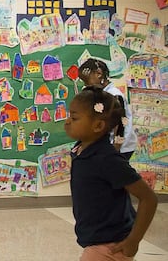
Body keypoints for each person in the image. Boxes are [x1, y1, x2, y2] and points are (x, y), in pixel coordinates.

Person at [65, 86, 157, 260]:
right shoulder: (80, 150)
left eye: (74, 118)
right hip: (95, 240)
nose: (68, 121)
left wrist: (133, 241)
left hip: (110, 245)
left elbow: (149, 198)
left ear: (98, 125)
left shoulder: (107, 159)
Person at [78, 58, 137, 160]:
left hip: (120, 147)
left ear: (99, 74)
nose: (86, 85)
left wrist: (114, 151)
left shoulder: (114, 95)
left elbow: (120, 126)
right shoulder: (100, 94)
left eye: (87, 81)